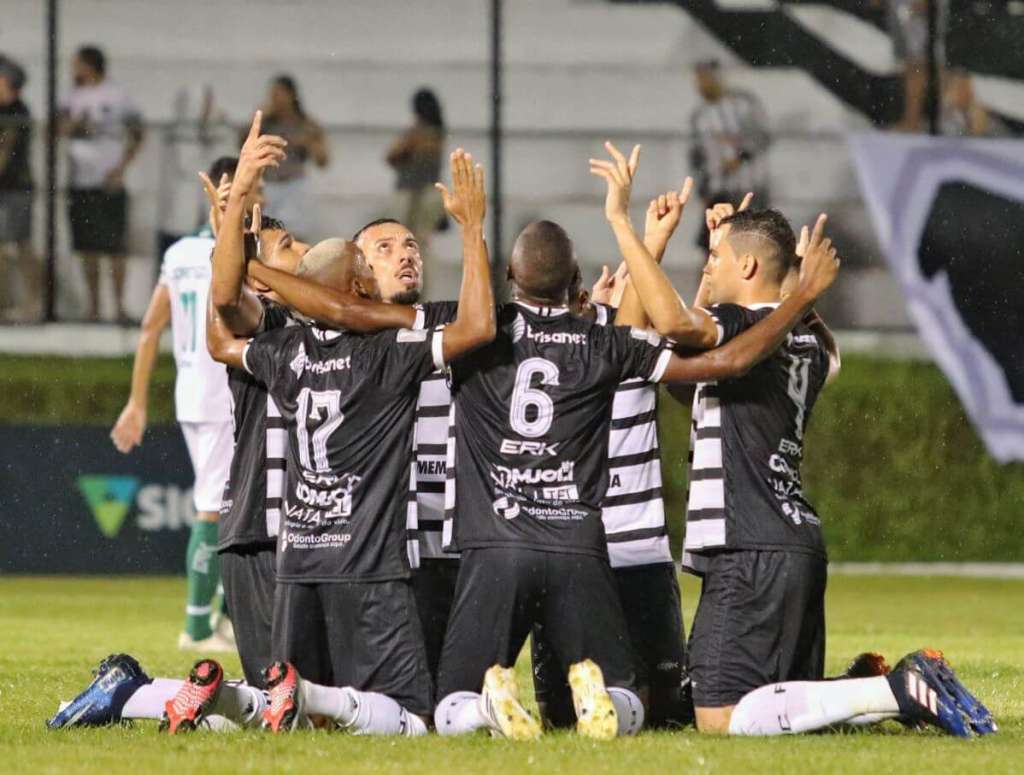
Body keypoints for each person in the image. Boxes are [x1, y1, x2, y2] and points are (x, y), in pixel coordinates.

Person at [432, 146, 840, 741]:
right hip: (585, 543)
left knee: (451, 707)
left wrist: (473, 227)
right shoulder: (604, 347)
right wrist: (794, 293)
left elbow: (686, 330)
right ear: (578, 285)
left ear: (512, 281)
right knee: (640, 703)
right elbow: (703, 354)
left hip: (497, 540)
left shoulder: (476, 335)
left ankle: (481, 710)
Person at [592, 141, 994, 739]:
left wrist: (621, 224)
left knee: (720, 716)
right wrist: (757, 270)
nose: (713, 266)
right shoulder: (809, 345)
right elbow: (696, 364)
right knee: (773, 703)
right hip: (792, 541)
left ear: (750, 269)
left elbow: (674, 326)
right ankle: (866, 689)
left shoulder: (748, 325)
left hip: (749, 544)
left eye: (721, 259)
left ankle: (894, 688)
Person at [186, 147, 494, 738]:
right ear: (360, 280)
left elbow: (223, 330)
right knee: (403, 712)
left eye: (410, 245)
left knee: (289, 708)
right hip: (355, 552)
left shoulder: (292, 349)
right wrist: (474, 228)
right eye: (379, 249)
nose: (403, 254)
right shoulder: (389, 345)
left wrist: (234, 236)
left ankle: (161, 697)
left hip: (318, 551)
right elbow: (474, 327)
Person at [530, 190, 697, 731]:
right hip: (603, 556)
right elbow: (629, 322)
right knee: (639, 712)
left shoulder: (590, 357)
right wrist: (651, 239)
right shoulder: (604, 358)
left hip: (609, 554)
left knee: (638, 712)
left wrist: (651, 244)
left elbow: (631, 316)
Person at [109, 156, 255, 653]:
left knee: (238, 507)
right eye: (240, 190)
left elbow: (152, 326)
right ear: (218, 193)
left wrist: (138, 401)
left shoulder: (180, 253)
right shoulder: (231, 252)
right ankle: (196, 628)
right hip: (218, 395)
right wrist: (134, 404)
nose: (250, 198)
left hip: (202, 392)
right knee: (215, 508)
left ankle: (230, 619)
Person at [60, 45, 144, 322]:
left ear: (90, 65)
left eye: (77, 64)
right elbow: (58, 129)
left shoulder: (117, 95)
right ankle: (93, 308)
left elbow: (138, 132)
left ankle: (119, 307)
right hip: (81, 181)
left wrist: (121, 168)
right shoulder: (72, 96)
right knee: (87, 247)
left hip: (109, 182)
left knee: (114, 246)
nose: (73, 69)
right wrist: (73, 125)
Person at [689, 60, 769, 248]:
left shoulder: (742, 106)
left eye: (706, 78)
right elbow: (697, 156)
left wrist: (740, 157)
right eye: (699, 80)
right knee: (712, 244)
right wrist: (702, 187)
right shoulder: (700, 116)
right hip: (717, 190)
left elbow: (761, 137)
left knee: (747, 242)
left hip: (746, 188)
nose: (702, 84)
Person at [256, 74, 328, 240]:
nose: (276, 99)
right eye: (273, 94)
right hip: (268, 185)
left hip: (294, 186)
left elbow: (323, 160)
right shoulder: (265, 123)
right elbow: (243, 145)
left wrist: (308, 142)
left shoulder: (305, 123)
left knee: (295, 235)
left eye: (280, 93)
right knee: (265, 235)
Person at [386, 88, 446, 264]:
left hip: (417, 194)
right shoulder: (436, 134)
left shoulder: (419, 134)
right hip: (423, 193)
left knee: (412, 243)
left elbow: (393, 154)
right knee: (417, 244)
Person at [0, 56, 39, 321]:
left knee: (20, 245)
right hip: (7, 187)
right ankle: (5, 304)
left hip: (16, 187)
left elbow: (5, 152)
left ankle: (33, 304)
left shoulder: (17, 112)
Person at [887, 0, 949, 132]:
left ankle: (931, 120)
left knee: (923, 72)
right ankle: (912, 120)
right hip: (914, 28)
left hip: (926, 30)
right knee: (913, 72)